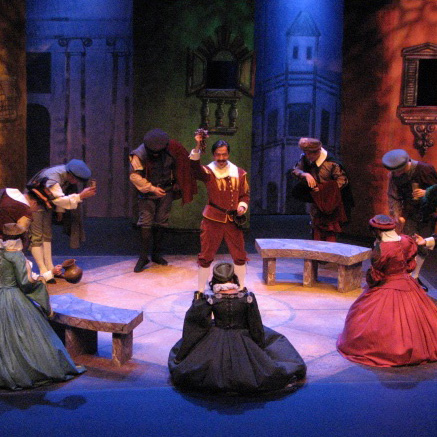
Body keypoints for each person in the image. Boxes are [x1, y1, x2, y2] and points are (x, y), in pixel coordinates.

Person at [168, 262, 306, 394]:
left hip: (216, 336)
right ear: (233, 278)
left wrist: (184, 353)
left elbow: (196, 326)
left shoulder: (210, 299)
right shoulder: (247, 298)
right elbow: (255, 326)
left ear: (215, 280)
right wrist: (259, 348)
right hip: (243, 337)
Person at [337, 214, 437, 367]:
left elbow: (375, 276)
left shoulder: (381, 249)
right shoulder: (406, 241)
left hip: (387, 284)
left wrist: (372, 282)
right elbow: (410, 265)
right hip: (408, 283)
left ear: (376, 231)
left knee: (372, 319)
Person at [0, 223, 85, 390]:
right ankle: (26, 371)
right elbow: (26, 283)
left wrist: (51, 273)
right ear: (21, 239)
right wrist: (43, 280)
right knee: (29, 337)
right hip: (13, 299)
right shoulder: (16, 256)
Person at [129, 129, 196, 272]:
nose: (155, 155)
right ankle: (143, 257)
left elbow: (180, 166)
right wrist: (152, 188)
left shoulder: (172, 149)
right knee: (146, 221)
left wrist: (177, 182)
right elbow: (135, 177)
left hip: (166, 190)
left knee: (161, 221)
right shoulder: (139, 154)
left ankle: (156, 254)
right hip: (147, 192)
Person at [190, 135, 249, 292]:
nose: (221, 158)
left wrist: (242, 206)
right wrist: (198, 145)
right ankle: (200, 291)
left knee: (239, 255)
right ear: (213, 155)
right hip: (212, 219)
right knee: (206, 256)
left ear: (228, 154)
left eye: (224, 154)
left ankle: (242, 288)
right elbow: (194, 168)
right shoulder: (208, 172)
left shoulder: (240, 173)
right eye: (218, 154)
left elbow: (244, 195)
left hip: (233, 221)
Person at [27, 159, 97, 279]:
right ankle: (43, 270)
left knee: (47, 235)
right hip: (34, 203)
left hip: (45, 204)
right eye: (76, 180)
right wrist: (81, 196)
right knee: (37, 236)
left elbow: (58, 194)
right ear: (72, 175)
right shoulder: (53, 177)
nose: (76, 182)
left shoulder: (63, 174)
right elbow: (58, 198)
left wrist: (60, 210)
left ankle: (50, 267)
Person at [383, 148, 437, 286]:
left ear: (407, 163)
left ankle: (415, 276)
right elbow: (393, 196)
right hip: (410, 213)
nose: (397, 174)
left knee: (423, 246)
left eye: (400, 171)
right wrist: (397, 214)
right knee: (408, 245)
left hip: (427, 214)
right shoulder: (394, 175)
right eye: (395, 172)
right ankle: (405, 277)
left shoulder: (425, 170)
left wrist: (426, 193)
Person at [290, 137, 351, 242]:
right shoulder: (305, 158)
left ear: (318, 151)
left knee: (329, 228)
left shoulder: (331, 163)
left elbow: (342, 180)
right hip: (317, 198)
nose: (308, 157)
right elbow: (296, 170)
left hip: (330, 199)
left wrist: (323, 189)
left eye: (310, 154)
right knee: (316, 224)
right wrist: (305, 174)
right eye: (306, 154)